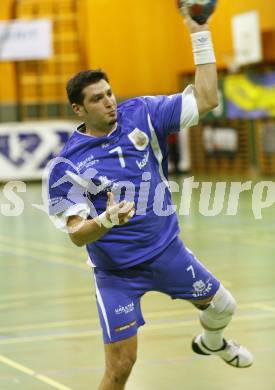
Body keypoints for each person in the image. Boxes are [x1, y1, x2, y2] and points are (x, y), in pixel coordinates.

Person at [47, 6, 253, 390]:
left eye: (110, 93)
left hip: (167, 252)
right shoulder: (66, 165)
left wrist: (200, 32)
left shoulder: (142, 114)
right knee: (121, 367)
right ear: (78, 108)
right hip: (117, 274)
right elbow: (77, 234)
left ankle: (210, 343)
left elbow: (208, 100)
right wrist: (106, 221)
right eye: (97, 99)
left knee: (225, 306)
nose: (109, 102)